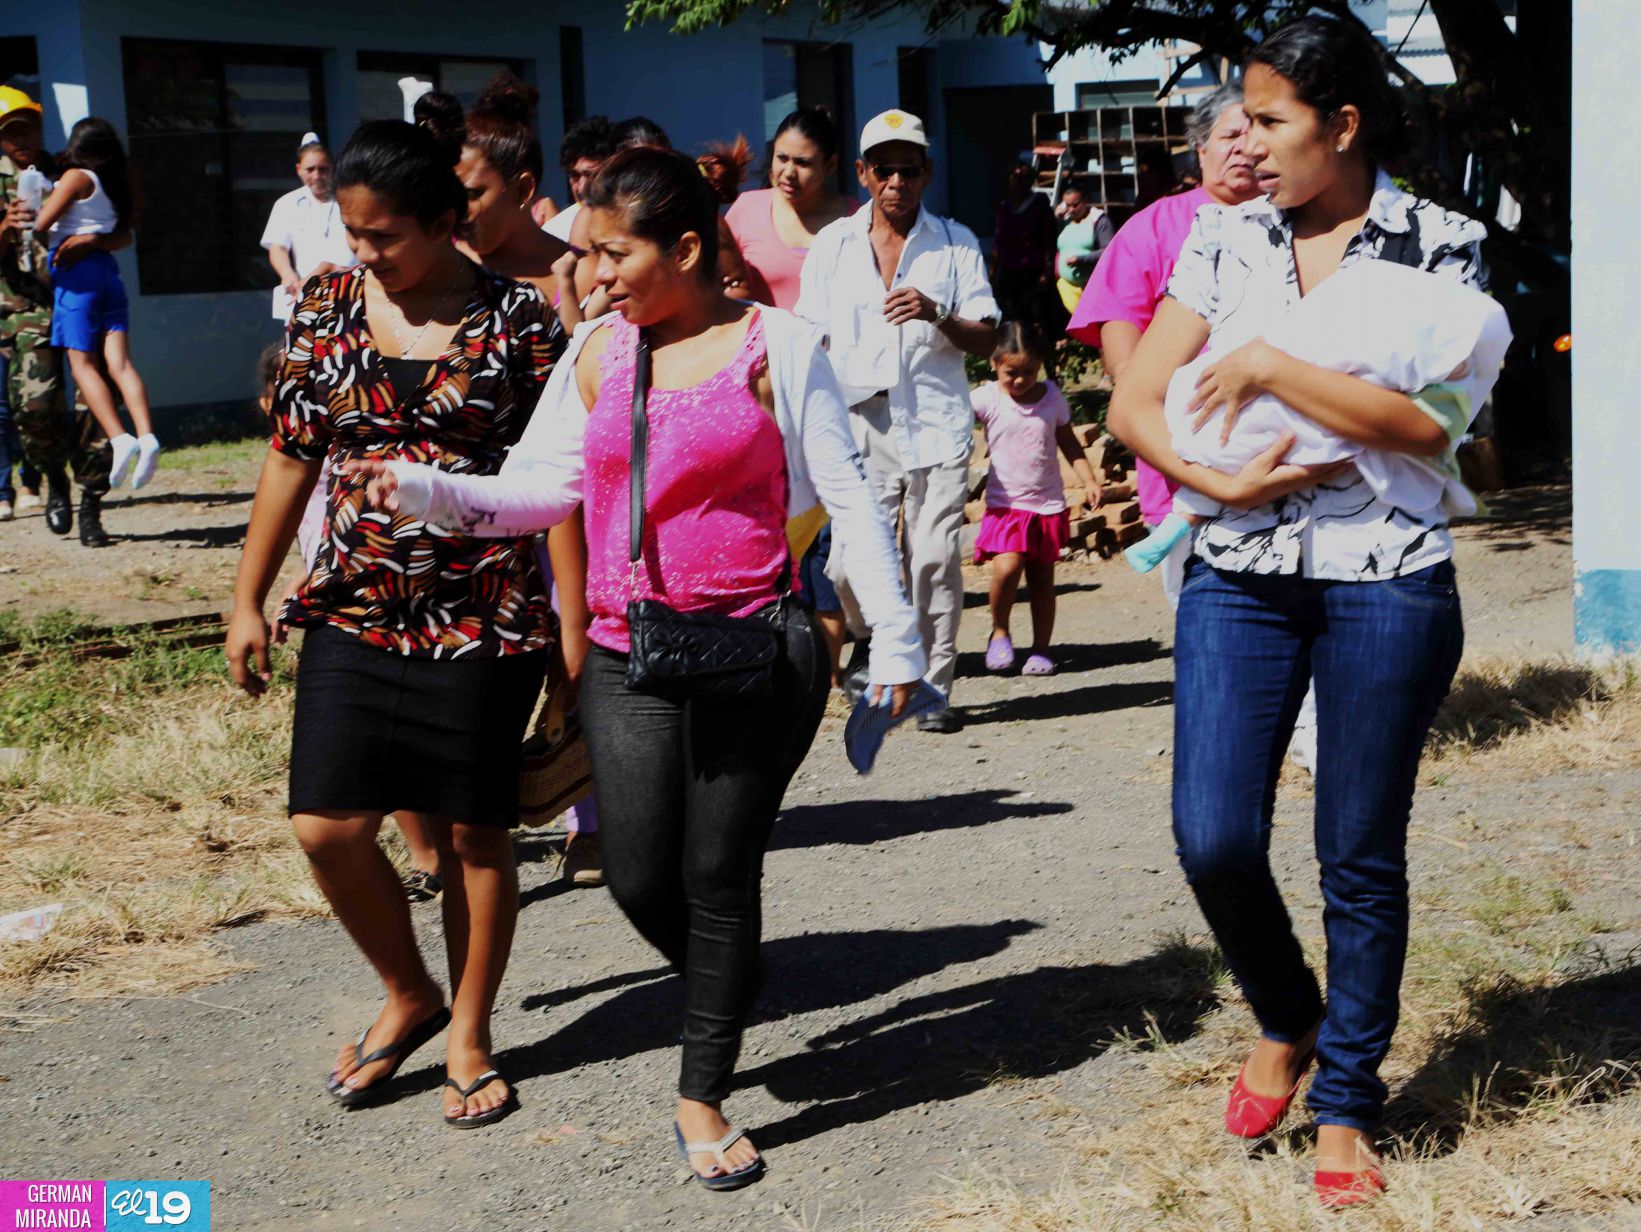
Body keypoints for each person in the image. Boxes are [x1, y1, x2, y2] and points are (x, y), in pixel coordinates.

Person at [349, 144, 925, 1188]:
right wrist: (428, 490)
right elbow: (537, 491)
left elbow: (845, 495)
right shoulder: (597, 351)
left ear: (687, 248)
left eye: (615, 253)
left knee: (717, 873)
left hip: (756, 646)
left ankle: (701, 1089)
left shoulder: (779, 344)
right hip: (628, 649)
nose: (594, 272)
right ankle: (727, 979)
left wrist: (895, 637)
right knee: (636, 871)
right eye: (588, 252)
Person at [1107, 16, 1486, 1209]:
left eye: (1271, 121)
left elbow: (1431, 426)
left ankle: (1348, 1103)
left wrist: (1272, 367)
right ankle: (1288, 1012)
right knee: (1213, 833)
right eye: (1245, 120)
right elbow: (1134, 402)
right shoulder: (1225, 239)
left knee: (1358, 853)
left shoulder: (1442, 244)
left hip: (1389, 578)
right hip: (1237, 570)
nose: (1249, 143)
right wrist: (1215, 484)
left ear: (1344, 124)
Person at [225, 117, 562, 1129]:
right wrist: (247, 596)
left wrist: (576, 626)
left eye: (385, 235)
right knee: (326, 825)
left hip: (484, 612)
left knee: (472, 833)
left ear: (446, 221)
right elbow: (293, 452)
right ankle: (409, 991)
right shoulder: (326, 305)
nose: (364, 252)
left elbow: (561, 481)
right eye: (354, 232)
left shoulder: (519, 320)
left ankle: (468, 1033)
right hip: (354, 601)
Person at [448, 73, 605, 889]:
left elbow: (592, 391)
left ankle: (590, 820)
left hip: (557, 502)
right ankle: (468, 821)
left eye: (473, 191)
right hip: (466, 503)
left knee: (572, 655)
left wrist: (574, 308)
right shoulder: (441, 271)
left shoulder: (568, 273)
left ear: (521, 187)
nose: (458, 207)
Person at [795, 109, 999, 733]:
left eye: (908, 171)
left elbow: (987, 337)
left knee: (933, 560)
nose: (896, 183)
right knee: (845, 567)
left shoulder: (955, 243)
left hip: (935, 422)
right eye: (884, 170)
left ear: (926, 173)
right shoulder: (833, 245)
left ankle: (934, 688)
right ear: (863, 173)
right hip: (858, 423)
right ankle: (875, 643)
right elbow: (807, 337)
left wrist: (937, 313)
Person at [1124, 258, 1509, 573]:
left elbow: (1427, 427)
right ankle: (1188, 510)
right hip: (1235, 555)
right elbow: (1129, 408)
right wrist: (1227, 490)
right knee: (1272, 436)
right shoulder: (1218, 234)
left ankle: (1186, 512)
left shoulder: (1430, 241)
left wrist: (1266, 366)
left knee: (1280, 436)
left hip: (1380, 556)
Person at [1068, 81, 1259, 607]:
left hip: (1283, 461)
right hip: (1181, 469)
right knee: (1207, 617)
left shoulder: (1301, 221)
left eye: (1257, 133)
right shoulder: (1151, 228)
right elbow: (1123, 358)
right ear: (1200, 147)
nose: (1245, 147)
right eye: (1231, 135)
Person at [725, 107, 858, 684]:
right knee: (766, 519)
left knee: (827, 530)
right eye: (781, 158)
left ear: (830, 165)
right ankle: (767, 648)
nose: (788, 172)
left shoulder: (855, 219)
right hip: (757, 391)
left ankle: (826, 666)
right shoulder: (746, 210)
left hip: (834, 393)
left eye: (803, 163)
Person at [0, 88, 120, 546]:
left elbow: (122, 230)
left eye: (27, 128)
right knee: (34, 406)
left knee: (95, 404)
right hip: (27, 310)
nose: (21, 140)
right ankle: (53, 478)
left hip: (82, 300)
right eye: (11, 133)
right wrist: (6, 226)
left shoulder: (71, 169)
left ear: (40, 126)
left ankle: (91, 503)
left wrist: (93, 241)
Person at [32, 117, 161, 492]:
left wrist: (44, 195)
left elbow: (41, 222)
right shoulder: (114, 183)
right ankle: (147, 435)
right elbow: (121, 234)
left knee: (82, 365)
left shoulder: (76, 177)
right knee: (120, 364)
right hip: (107, 273)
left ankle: (119, 438)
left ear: (78, 145)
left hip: (77, 277)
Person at [973, 321, 1100, 676]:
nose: (1019, 380)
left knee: (1042, 578)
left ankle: (1042, 649)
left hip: (1046, 505)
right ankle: (1000, 632)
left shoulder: (1051, 397)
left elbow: (1068, 442)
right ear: (995, 364)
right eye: (1011, 373)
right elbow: (953, 419)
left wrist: (1089, 479)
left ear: (1040, 365)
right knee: (1007, 568)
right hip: (1006, 505)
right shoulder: (987, 398)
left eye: (1029, 372)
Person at [261, 134, 355, 322]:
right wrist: (288, 275)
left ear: (333, 168)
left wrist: (306, 283)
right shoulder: (287, 203)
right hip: (302, 295)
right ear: (299, 170)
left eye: (323, 169)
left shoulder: (347, 201)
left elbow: (337, 258)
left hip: (343, 294)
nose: (317, 176)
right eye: (310, 169)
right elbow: (277, 247)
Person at [990, 159, 1057, 333]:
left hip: (1032, 271)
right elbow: (998, 240)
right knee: (1007, 313)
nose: (1019, 182)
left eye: (1025, 177)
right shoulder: (1004, 207)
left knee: (1035, 315)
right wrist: (993, 269)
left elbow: (1049, 239)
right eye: (1015, 177)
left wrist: (1047, 270)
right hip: (1008, 269)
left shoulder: (1040, 204)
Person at [1052, 185, 1112, 317]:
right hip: (1066, 285)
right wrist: (1055, 220)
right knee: (1075, 322)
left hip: (1090, 286)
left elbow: (1108, 251)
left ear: (1085, 200)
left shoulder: (1099, 220)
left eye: (1075, 205)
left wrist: (1081, 259)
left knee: (1090, 322)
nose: (1071, 209)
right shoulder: (1064, 221)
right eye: (1067, 205)